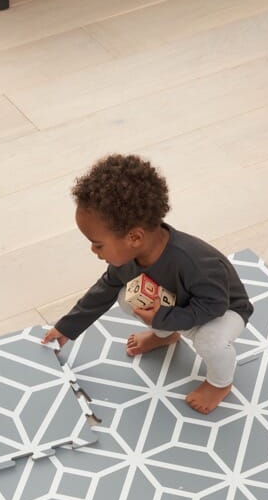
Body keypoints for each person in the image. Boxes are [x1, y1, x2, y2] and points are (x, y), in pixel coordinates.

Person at [42, 153, 254, 415]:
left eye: (98, 244)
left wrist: (165, 316)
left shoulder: (194, 262)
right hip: (177, 305)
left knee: (209, 340)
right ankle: (166, 336)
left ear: (134, 237)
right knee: (126, 295)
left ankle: (220, 383)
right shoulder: (128, 259)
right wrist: (66, 328)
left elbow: (215, 305)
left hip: (223, 310)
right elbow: (103, 291)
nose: (93, 251)